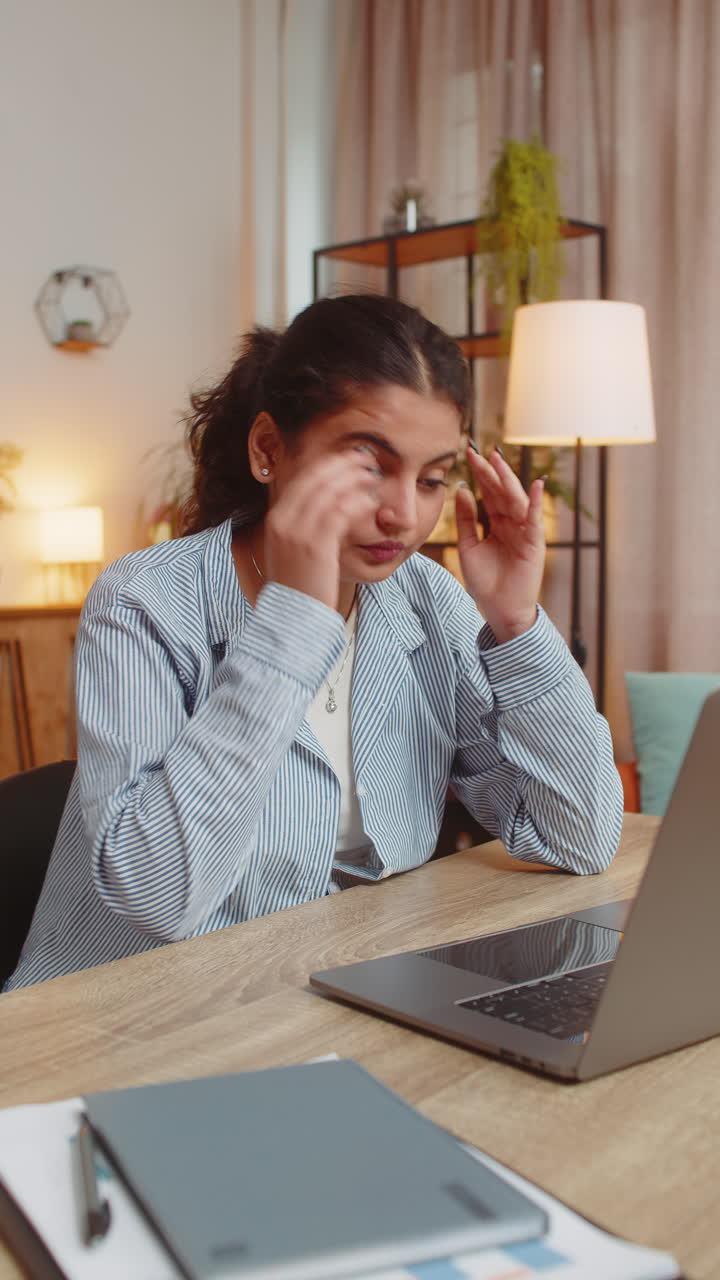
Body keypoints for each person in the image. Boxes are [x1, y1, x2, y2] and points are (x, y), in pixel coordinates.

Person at [5, 293, 623, 990]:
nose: (402, 512)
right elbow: (160, 896)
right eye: (368, 466)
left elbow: (580, 838)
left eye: (430, 479)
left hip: (322, 992)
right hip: (125, 1012)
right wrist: (295, 620)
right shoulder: (145, 601)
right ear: (269, 449)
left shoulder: (426, 598)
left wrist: (516, 624)